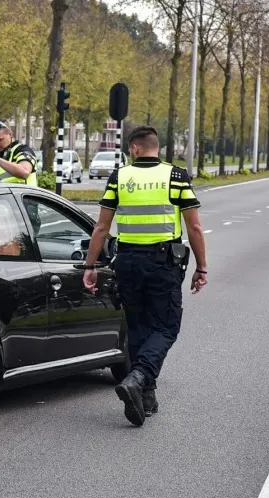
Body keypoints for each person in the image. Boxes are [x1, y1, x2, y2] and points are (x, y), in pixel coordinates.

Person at [81, 125, 208, 427]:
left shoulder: (120, 177)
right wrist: (201, 267)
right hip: (162, 263)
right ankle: (138, 378)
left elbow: (101, 228)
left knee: (138, 326)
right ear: (155, 147)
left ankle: (146, 398)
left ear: (135, 149)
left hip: (127, 261)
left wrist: (89, 266)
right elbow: (194, 228)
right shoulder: (175, 176)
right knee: (166, 327)